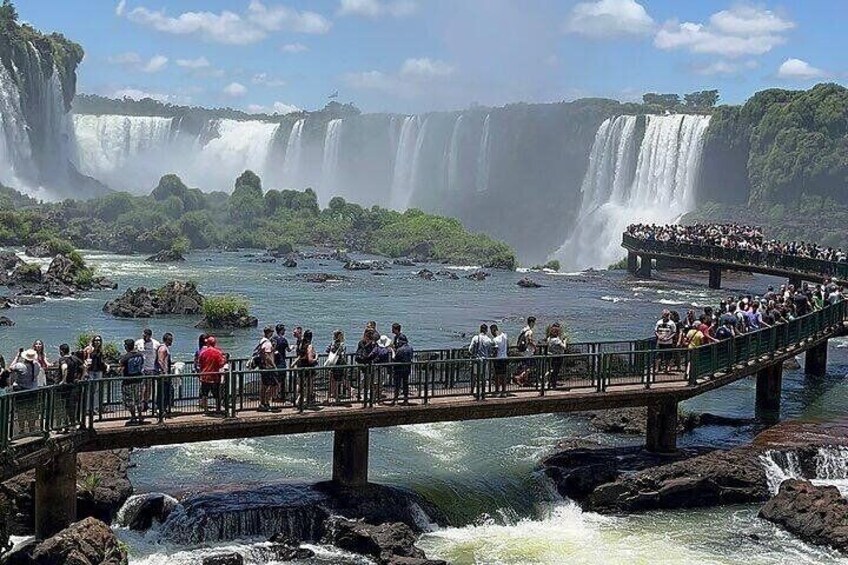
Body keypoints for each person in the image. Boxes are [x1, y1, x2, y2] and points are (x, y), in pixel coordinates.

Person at [119, 338, 146, 426]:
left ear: (126, 347)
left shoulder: (125, 357)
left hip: (128, 382)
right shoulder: (140, 355)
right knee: (139, 399)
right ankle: (141, 416)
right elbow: (142, 365)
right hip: (139, 380)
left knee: (129, 400)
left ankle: (133, 417)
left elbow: (120, 370)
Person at [57, 343, 83, 431]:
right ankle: (72, 424)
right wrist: (81, 378)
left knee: (63, 406)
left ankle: (64, 425)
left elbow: (64, 367)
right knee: (72, 406)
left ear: (61, 351)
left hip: (65, 387)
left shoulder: (62, 359)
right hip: (74, 385)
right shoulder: (75, 358)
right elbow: (85, 367)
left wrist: (63, 380)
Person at [198, 336, 227, 414]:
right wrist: (225, 360)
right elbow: (221, 364)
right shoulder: (218, 352)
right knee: (217, 394)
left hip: (204, 376)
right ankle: (218, 409)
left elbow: (199, 363)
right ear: (214, 343)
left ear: (207, 343)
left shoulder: (202, 352)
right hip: (214, 376)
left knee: (205, 394)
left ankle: (206, 410)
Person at [135, 329, 160, 413]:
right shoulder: (138, 343)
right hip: (140, 369)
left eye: (146, 335)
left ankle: (146, 403)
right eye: (143, 335)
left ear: (150, 336)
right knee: (140, 388)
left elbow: (158, 357)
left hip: (150, 368)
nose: (144, 337)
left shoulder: (156, 344)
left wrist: (157, 368)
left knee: (148, 387)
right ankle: (140, 404)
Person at [256, 327, 279, 412]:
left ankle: (263, 403)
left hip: (263, 366)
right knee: (274, 384)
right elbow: (267, 355)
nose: (273, 333)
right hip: (268, 367)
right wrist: (273, 366)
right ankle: (266, 401)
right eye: (272, 332)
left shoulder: (262, 341)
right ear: (269, 332)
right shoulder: (267, 343)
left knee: (264, 385)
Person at [295, 330, 318, 407]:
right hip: (308, 368)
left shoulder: (301, 344)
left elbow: (300, 356)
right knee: (309, 385)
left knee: (301, 384)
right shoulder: (309, 346)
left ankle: (299, 400)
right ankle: (307, 400)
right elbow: (310, 360)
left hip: (301, 366)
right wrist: (316, 358)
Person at [325, 330, 347, 403]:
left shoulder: (333, 343)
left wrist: (332, 348)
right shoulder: (340, 344)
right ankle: (335, 396)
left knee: (332, 380)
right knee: (336, 380)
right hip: (338, 363)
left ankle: (330, 396)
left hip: (334, 363)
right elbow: (341, 352)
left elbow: (327, 350)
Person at [513, 316, 536, 386]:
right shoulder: (529, 331)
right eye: (534, 322)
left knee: (526, 367)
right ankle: (519, 378)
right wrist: (535, 346)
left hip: (524, 351)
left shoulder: (523, 329)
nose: (534, 324)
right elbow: (530, 340)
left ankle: (525, 381)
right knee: (529, 367)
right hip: (529, 352)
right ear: (531, 322)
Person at [155, 333, 174, 416]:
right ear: (167, 340)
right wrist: (165, 372)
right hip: (163, 375)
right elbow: (160, 360)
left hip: (165, 373)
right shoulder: (163, 348)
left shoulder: (165, 348)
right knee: (163, 392)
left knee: (166, 391)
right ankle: (160, 409)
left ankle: (163, 408)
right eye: (170, 340)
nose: (172, 342)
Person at [392, 334, 413, 405]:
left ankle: (396, 399)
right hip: (407, 369)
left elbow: (395, 359)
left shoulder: (400, 349)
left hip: (399, 369)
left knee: (397, 385)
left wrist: (393, 353)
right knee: (405, 384)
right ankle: (406, 399)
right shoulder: (410, 348)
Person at [273, 324, 292, 402]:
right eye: (284, 330)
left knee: (275, 379)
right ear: (281, 331)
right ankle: (279, 396)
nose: (285, 331)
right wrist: (293, 347)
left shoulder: (274, 339)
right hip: (281, 362)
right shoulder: (284, 340)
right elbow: (288, 350)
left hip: (274, 361)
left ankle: (274, 395)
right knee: (281, 380)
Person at [546, 323, 567, 389]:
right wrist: (564, 341)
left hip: (552, 356)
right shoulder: (556, 340)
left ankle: (551, 382)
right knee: (555, 371)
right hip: (558, 357)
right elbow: (564, 347)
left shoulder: (549, 338)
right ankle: (553, 384)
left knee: (553, 370)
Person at [490, 324, 509, 397]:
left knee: (497, 376)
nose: (491, 334)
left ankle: (497, 391)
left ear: (493, 330)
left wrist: (492, 356)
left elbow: (495, 351)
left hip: (498, 359)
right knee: (504, 375)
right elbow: (507, 346)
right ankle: (504, 391)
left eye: (492, 332)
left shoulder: (495, 340)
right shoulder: (504, 336)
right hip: (505, 357)